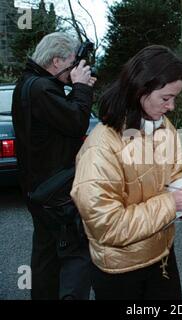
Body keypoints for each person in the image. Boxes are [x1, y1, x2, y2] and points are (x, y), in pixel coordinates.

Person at [70, 45, 182, 300]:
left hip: (161, 254)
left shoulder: (163, 127)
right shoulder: (99, 149)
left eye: (175, 97)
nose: (171, 106)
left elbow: (175, 175)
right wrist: (169, 204)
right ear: (140, 90)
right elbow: (107, 227)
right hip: (120, 270)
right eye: (165, 98)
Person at [12, 32, 97, 300]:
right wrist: (82, 88)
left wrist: (76, 87)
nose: (74, 71)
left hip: (38, 189)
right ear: (58, 61)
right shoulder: (42, 89)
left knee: (46, 257)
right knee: (75, 258)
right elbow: (75, 121)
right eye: (72, 65)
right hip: (56, 192)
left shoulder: (28, 83)